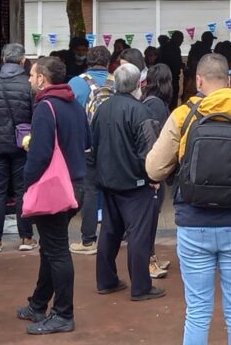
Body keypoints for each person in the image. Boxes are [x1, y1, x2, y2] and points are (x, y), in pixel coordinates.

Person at [146, 53, 231, 345]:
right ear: (229, 81)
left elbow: (154, 169)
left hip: (194, 223)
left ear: (198, 81)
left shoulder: (182, 116)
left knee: (197, 311)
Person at [17, 56, 90, 335]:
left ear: (42, 79)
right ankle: (38, 304)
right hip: (76, 183)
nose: (29, 79)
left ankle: (63, 314)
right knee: (50, 246)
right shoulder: (74, 104)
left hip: (54, 187)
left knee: (57, 250)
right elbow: (87, 141)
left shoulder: (45, 108)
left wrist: (28, 183)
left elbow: (40, 155)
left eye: (32, 75)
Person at [91, 63, 165, 302]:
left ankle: (106, 280)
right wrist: (154, 178)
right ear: (137, 85)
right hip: (135, 183)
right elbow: (149, 150)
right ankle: (141, 286)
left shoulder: (102, 108)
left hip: (108, 180)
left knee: (109, 231)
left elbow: (94, 144)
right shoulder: (141, 111)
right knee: (138, 235)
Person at [0, 43, 36, 254]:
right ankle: (26, 237)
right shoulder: (28, 85)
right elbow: (35, 114)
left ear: (3, 60)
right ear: (23, 61)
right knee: (22, 190)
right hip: (22, 144)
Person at [67, 44, 112, 255]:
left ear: (87, 61)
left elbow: (69, 114)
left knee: (90, 191)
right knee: (114, 189)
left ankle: (88, 241)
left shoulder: (76, 83)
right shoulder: (117, 81)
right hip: (113, 145)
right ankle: (116, 236)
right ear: (108, 62)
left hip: (87, 145)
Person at [142, 63, 174, 279]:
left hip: (153, 167)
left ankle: (151, 257)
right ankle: (148, 261)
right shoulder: (157, 106)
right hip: (154, 169)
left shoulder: (150, 102)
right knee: (150, 218)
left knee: (152, 216)